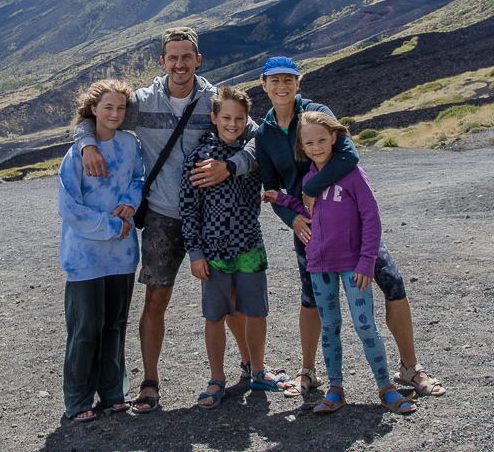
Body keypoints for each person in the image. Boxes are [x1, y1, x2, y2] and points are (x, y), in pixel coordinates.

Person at [73, 27, 258, 413]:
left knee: (232, 298)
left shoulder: (215, 99)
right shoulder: (140, 103)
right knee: (156, 298)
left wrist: (231, 165)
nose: (179, 63)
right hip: (161, 216)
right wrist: (87, 142)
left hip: (214, 219)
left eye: (186, 56)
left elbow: (258, 138)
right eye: (172, 57)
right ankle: (150, 382)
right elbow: (97, 115)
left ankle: (251, 366)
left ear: (198, 60)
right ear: (162, 61)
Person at [255, 56, 446, 398]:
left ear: (298, 83)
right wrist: (292, 219)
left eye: (288, 79)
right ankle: (308, 372)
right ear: (263, 84)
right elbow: (271, 187)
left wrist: (311, 188)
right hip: (309, 228)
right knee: (311, 297)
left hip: (349, 219)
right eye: (274, 80)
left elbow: (349, 156)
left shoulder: (315, 111)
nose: (281, 86)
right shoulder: (265, 133)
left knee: (392, 282)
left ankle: (409, 368)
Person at [263, 111, 416, 415]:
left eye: (322, 140)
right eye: (309, 143)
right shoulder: (309, 180)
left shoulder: (352, 175)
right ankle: (336, 389)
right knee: (330, 327)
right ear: (302, 147)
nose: (316, 147)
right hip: (319, 264)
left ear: (334, 138)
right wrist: (280, 198)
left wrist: (367, 261)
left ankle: (386, 388)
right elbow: (307, 211)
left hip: (353, 265)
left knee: (365, 326)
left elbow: (371, 218)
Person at [180, 87, 289, 409]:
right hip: (213, 253)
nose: (232, 124)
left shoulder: (254, 156)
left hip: (250, 245)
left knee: (256, 311)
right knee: (214, 315)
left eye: (239, 118)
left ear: (247, 120)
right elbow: (188, 209)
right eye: (226, 117)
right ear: (214, 118)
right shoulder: (198, 158)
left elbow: (274, 181)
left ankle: (257, 370)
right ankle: (216, 379)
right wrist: (195, 253)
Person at [57, 80, 145, 422]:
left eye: (121, 108)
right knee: (85, 329)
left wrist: (129, 202)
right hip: (85, 257)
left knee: (115, 325)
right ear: (93, 110)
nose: (115, 114)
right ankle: (77, 400)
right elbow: (70, 208)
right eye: (108, 107)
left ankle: (113, 393)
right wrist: (113, 227)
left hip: (121, 257)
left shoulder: (129, 144)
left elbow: (138, 179)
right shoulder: (76, 155)